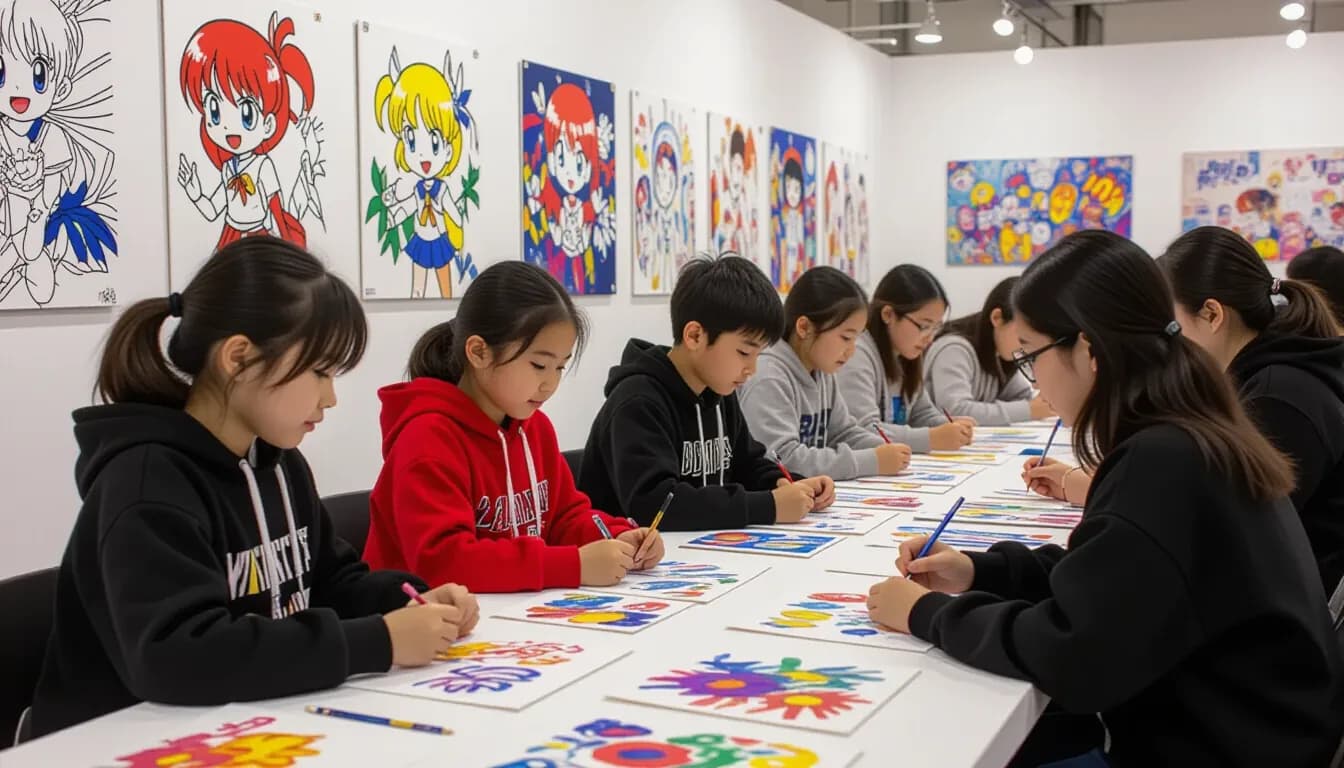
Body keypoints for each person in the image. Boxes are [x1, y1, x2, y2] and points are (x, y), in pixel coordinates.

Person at [867, 230, 1344, 766]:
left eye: (1031, 356)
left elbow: (1071, 653)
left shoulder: (1164, 461)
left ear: (1089, 350)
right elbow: (1112, 578)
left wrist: (926, 614)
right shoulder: (1188, 430)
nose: (1035, 381)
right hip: (1248, 729)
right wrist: (980, 570)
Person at [30, 237, 478, 738]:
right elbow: (179, 655)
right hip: (113, 740)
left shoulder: (279, 462)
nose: (330, 397)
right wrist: (379, 642)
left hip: (241, 721)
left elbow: (329, 581)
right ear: (239, 358)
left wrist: (408, 598)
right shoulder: (145, 482)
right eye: (320, 372)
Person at [364, 261, 664, 593]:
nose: (550, 384)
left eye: (560, 367)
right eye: (539, 365)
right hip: (421, 616)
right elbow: (445, 562)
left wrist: (618, 535)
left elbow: (564, 518)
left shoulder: (534, 428)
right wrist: (573, 565)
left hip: (507, 612)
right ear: (479, 352)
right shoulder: (427, 439)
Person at [578, 254, 833, 531]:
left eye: (758, 355)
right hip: (632, 552)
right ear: (695, 336)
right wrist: (768, 506)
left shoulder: (719, 391)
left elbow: (747, 463)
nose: (752, 369)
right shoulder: (637, 402)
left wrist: (785, 483)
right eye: (744, 352)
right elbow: (655, 505)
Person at [740, 265, 912, 480]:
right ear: (804, 328)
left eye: (856, 338)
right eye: (846, 338)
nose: (851, 350)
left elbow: (842, 432)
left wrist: (884, 448)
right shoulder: (768, 375)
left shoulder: (821, 371)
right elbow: (782, 459)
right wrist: (872, 460)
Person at [835, 264, 974, 452]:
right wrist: (931, 438)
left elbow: (921, 413)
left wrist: (949, 426)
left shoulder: (906, 352)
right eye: (924, 326)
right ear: (888, 315)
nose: (929, 338)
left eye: (936, 328)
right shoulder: (857, 354)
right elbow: (864, 430)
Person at [925, 277, 1052, 425]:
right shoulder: (953, 349)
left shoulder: (1001, 353)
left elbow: (1022, 398)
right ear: (997, 318)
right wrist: (1029, 409)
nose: (1027, 345)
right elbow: (955, 410)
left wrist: (1041, 402)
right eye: (1022, 335)